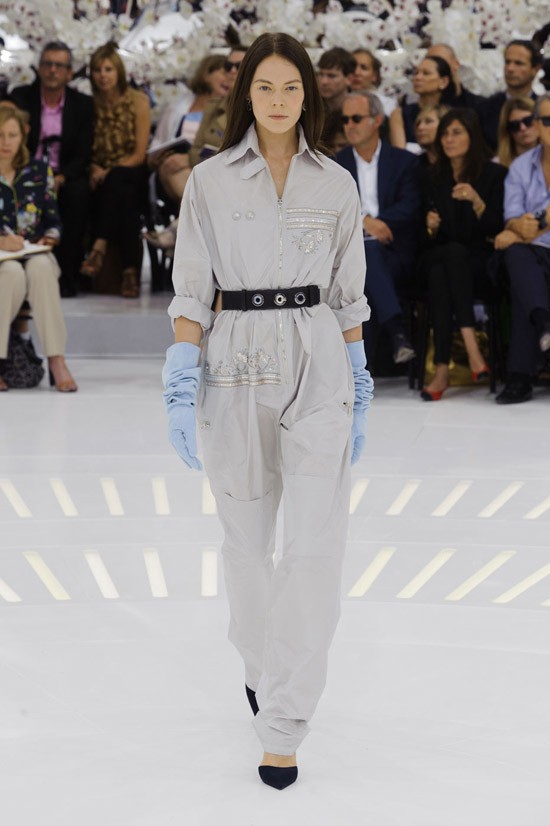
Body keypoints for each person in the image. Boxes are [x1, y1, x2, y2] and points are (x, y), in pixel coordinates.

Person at [162, 31, 372, 790]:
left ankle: (284, 722)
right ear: (244, 93)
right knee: (247, 547)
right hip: (234, 363)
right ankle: (261, 665)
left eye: (291, 88)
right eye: (265, 87)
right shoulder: (211, 181)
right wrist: (182, 372)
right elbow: (192, 287)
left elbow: (348, 292)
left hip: (318, 361)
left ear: (307, 95)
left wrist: (358, 376)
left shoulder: (336, 183)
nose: (279, 101)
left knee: (314, 548)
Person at [419, 108, 506, 400]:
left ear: (472, 136)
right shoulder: (432, 177)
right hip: (438, 255)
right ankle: (472, 347)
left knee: (441, 274)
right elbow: (420, 238)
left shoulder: (494, 175)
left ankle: (441, 369)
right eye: (444, 133)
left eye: (456, 132)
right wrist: (429, 227)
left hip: (478, 264)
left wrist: (478, 202)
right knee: (448, 257)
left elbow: (497, 228)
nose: (448, 139)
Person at [336, 91, 419, 367]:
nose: (349, 125)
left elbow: (410, 205)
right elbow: (330, 210)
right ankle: (397, 334)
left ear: (377, 120)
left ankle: (360, 368)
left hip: (394, 249)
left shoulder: (403, 161)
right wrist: (363, 221)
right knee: (364, 260)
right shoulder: (336, 164)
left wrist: (380, 223)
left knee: (365, 266)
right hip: (351, 254)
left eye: (356, 118)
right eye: (345, 120)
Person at [0, 106, 77, 392]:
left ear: (23, 136)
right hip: (2, 259)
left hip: (33, 252)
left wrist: (50, 238)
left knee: (42, 267)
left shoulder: (38, 171)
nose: (5, 142)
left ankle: (57, 360)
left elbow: (53, 221)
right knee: (10, 273)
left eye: (12, 135)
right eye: (0, 135)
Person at [10, 40, 94, 297]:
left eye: (59, 65)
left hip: (64, 173)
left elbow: (83, 152)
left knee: (77, 194)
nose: (53, 70)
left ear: (69, 72)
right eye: (47, 64)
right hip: (24, 171)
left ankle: (67, 276)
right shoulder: (20, 97)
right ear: (39, 68)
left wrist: (61, 176)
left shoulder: (82, 104)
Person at [81, 42, 151, 298]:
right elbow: (83, 147)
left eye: (108, 69)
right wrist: (94, 168)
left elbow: (139, 154)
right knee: (126, 199)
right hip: (99, 175)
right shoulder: (88, 104)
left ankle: (99, 245)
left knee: (120, 180)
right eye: (97, 70)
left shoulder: (139, 101)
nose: (103, 75)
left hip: (132, 170)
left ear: (119, 71)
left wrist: (108, 171)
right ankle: (130, 273)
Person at [493, 93, 550, 404]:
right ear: (538, 124)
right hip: (534, 252)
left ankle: (519, 377)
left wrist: (536, 222)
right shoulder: (520, 166)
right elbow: (513, 218)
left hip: (534, 249)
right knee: (518, 259)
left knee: (523, 279)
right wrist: (521, 227)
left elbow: (521, 226)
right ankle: (545, 324)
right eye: (548, 121)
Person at [147, 54, 229, 209]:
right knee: (170, 165)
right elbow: (158, 142)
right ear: (207, 74)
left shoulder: (231, 112)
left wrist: (191, 159)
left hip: (208, 167)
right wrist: (155, 157)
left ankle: (196, 216)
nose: (229, 79)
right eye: (224, 73)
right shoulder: (177, 107)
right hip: (173, 168)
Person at [477, 40, 542, 152]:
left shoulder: (544, 109)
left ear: (535, 69)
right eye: (507, 62)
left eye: (519, 63)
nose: (510, 69)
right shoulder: (485, 109)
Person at [389, 56, 455, 149]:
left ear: (443, 81)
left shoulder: (453, 114)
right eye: (416, 73)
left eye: (426, 73)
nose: (418, 77)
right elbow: (400, 152)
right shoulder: (400, 114)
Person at [425, 43, 483, 110]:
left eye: (440, 62)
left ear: (456, 64)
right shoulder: (418, 109)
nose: (433, 67)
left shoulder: (479, 106)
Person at [349, 48, 397, 117]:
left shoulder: (386, 104)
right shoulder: (339, 102)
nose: (356, 72)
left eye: (364, 68)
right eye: (352, 67)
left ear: (374, 76)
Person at [496, 97, 538, 168]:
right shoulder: (497, 165)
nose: (523, 128)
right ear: (507, 130)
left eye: (528, 121)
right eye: (515, 125)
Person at [316, 47, 356, 112]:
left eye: (331, 76)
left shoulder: (360, 109)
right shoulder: (310, 108)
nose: (324, 81)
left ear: (349, 79)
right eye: (321, 74)